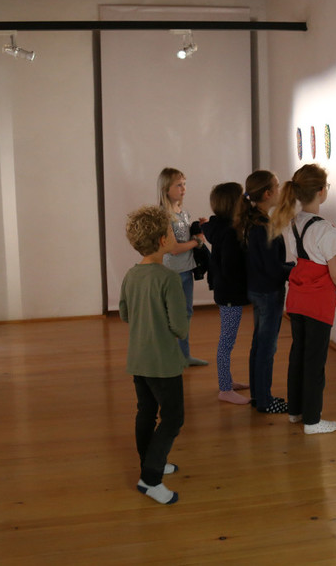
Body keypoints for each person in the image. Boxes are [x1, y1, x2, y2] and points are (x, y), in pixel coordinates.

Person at [119, 205, 189, 504]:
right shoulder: (168, 278)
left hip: (138, 359)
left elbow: (124, 314)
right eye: (171, 231)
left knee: (146, 412)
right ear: (162, 240)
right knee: (173, 417)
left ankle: (150, 462)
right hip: (164, 363)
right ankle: (150, 479)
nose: (174, 235)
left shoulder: (131, 275)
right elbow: (180, 327)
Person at [270, 164, 336, 435]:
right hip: (318, 301)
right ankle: (312, 421)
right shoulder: (325, 229)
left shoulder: (293, 222)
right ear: (321, 191)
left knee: (299, 354)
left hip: (298, 298)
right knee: (315, 360)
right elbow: (335, 272)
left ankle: (296, 411)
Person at [238, 170, 293, 414]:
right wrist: (295, 269)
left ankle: (258, 396)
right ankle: (264, 400)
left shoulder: (253, 221)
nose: (280, 190)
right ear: (268, 193)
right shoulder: (262, 226)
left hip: (258, 289)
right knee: (267, 347)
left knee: (259, 344)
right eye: (277, 186)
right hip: (268, 292)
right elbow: (273, 269)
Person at [201, 182, 251, 405]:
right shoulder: (230, 232)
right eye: (243, 198)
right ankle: (224, 389)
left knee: (227, 340)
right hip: (230, 293)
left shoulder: (217, 227)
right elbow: (232, 268)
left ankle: (227, 381)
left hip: (225, 291)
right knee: (226, 342)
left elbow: (204, 226)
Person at [157, 167, 208, 366]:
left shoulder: (183, 212)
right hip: (173, 272)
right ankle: (170, 356)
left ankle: (183, 356)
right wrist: (198, 241)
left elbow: (184, 240)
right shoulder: (163, 215)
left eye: (184, 184)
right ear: (166, 188)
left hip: (187, 270)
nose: (183, 188)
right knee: (173, 315)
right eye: (179, 185)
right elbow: (173, 248)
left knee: (186, 313)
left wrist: (198, 229)